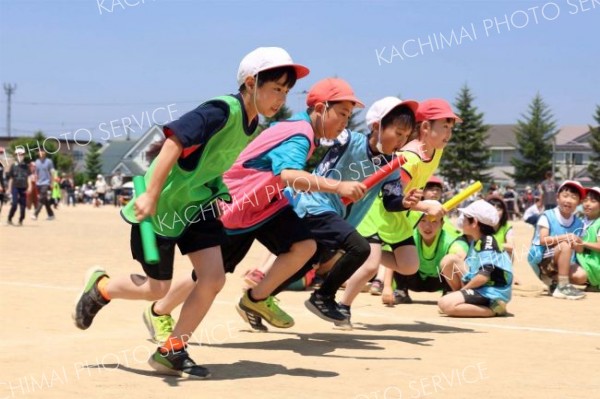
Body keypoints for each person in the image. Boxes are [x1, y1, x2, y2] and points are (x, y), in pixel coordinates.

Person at [72, 47, 309, 379]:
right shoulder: (221, 110)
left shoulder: (252, 124)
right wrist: (151, 193)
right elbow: (174, 142)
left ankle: (172, 350)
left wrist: (220, 190)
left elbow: (212, 162)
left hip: (198, 206)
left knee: (213, 278)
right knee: (157, 288)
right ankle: (102, 288)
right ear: (251, 82)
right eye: (276, 88)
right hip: (164, 206)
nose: (281, 99)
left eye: (286, 91)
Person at [142, 77, 366, 338]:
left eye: (349, 116)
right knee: (208, 275)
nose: (345, 123)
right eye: (341, 114)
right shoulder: (300, 135)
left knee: (304, 246)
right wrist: (338, 187)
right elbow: (288, 175)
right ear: (320, 109)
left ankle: (256, 298)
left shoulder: (300, 129)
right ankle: (159, 310)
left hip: (267, 205)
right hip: (238, 207)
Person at [354, 98, 461, 306]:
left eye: (451, 127)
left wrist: (423, 205)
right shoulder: (409, 158)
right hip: (379, 211)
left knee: (408, 265)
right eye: (445, 126)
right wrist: (425, 205)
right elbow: (392, 196)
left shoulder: (437, 150)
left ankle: (360, 251)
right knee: (369, 268)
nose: (449, 133)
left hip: (401, 214)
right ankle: (341, 304)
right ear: (426, 127)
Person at [438, 200, 513, 317]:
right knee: (449, 260)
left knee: (445, 304)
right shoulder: (477, 240)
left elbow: (483, 277)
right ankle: (462, 299)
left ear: (474, 223)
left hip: (492, 291)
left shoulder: (488, 243)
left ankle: (493, 309)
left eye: (465, 218)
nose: (462, 221)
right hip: (482, 286)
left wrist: (462, 291)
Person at [527, 180, 586, 299]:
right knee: (565, 245)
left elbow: (580, 250)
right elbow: (543, 240)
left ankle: (553, 283)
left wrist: (577, 243)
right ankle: (562, 286)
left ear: (579, 202)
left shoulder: (579, 223)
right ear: (557, 198)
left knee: (581, 276)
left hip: (563, 260)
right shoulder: (547, 216)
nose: (568, 200)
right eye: (565, 196)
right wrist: (566, 237)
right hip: (543, 260)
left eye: (574, 197)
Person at [569, 187, 600, 291]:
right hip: (585, 261)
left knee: (578, 276)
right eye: (585, 200)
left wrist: (583, 243)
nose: (587, 204)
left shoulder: (598, 223)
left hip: (594, 265)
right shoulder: (580, 222)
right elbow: (579, 249)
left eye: (593, 201)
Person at [6, 148, 30, 226]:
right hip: (15, 187)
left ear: (24, 155)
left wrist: (29, 187)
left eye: (22, 154)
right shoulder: (13, 166)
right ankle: (9, 218)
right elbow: (11, 178)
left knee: (23, 206)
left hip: (24, 187)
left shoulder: (26, 166)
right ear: (16, 155)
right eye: (18, 154)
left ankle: (21, 220)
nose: (20, 156)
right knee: (14, 204)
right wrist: (9, 188)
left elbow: (29, 177)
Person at [32, 149, 55, 220]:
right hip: (39, 183)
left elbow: (53, 173)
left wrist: (52, 183)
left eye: (43, 151)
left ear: (45, 153)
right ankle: (51, 214)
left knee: (41, 198)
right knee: (45, 199)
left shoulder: (49, 161)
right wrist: (35, 180)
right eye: (40, 151)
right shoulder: (37, 162)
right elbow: (36, 173)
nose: (41, 153)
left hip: (46, 182)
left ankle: (35, 214)